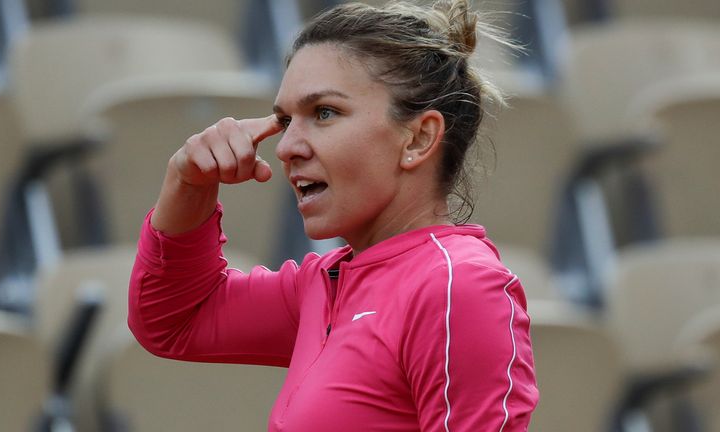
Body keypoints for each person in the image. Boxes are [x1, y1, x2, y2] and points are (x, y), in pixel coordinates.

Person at [128, 0, 539, 430]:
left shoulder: (458, 287)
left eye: (324, 112)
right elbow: (174, 320)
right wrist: (188, 184)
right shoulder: (322, 286)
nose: (287, 147)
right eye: (286, 121)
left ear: (418, 138)